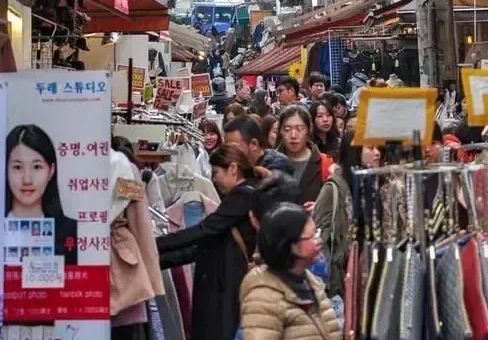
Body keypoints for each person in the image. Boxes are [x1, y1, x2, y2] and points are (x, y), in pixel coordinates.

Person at [157, 145, 257, 340]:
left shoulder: (242, 196)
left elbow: (204, 231)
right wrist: (157, 258)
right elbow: (204, 245)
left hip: (224, 287)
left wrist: (154, 244)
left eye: (216, 172)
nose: (214, 178)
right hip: (224, 283)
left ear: (233, 169)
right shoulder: (246, 195)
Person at [240, 203, 340, 340]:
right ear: (289, 244)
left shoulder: (312, 283)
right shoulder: (263, 296)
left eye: (316, 233)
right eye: (311, 237)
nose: (319, 241)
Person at [313, 131, 381, 298]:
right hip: (343, 281)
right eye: (371, 148)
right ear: (355, 151)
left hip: (373, 275)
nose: (378, 153)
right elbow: (321, 239)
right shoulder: (333, 189)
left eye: (378, 148)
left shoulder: (377, 186)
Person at [5, 123, 78, 264]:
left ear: (51, 171)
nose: (27, 179)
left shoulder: (70, 230)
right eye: (17, 167)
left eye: (37, 167)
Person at [277, 105, 323, 205]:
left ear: (308, 130)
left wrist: (320, 207)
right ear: (280, 131)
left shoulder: (325, 164)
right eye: (287, 129)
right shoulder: (269, 163)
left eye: (300, 129)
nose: (293, 135)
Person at [225, 115, 294, 174]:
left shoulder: (278, 166)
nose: (229, 152)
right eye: (227, 147)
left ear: (254, 144)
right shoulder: (242, 167)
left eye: (234, 147)